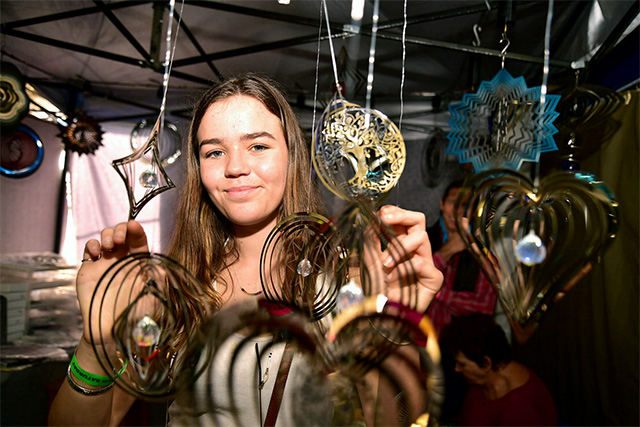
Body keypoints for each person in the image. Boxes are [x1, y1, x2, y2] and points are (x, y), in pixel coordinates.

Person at [48, 73, 443, 426]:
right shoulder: (177, 285)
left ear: (292, 155)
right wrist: (97, 345)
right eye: (214, 151)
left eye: (257, 146)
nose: (235, 167)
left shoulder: (344, 281)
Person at [440, 313, 558, 426]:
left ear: (486, 363)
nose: (457, 369)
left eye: (462, 364)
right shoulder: (483, 379)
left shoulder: (520, 411)